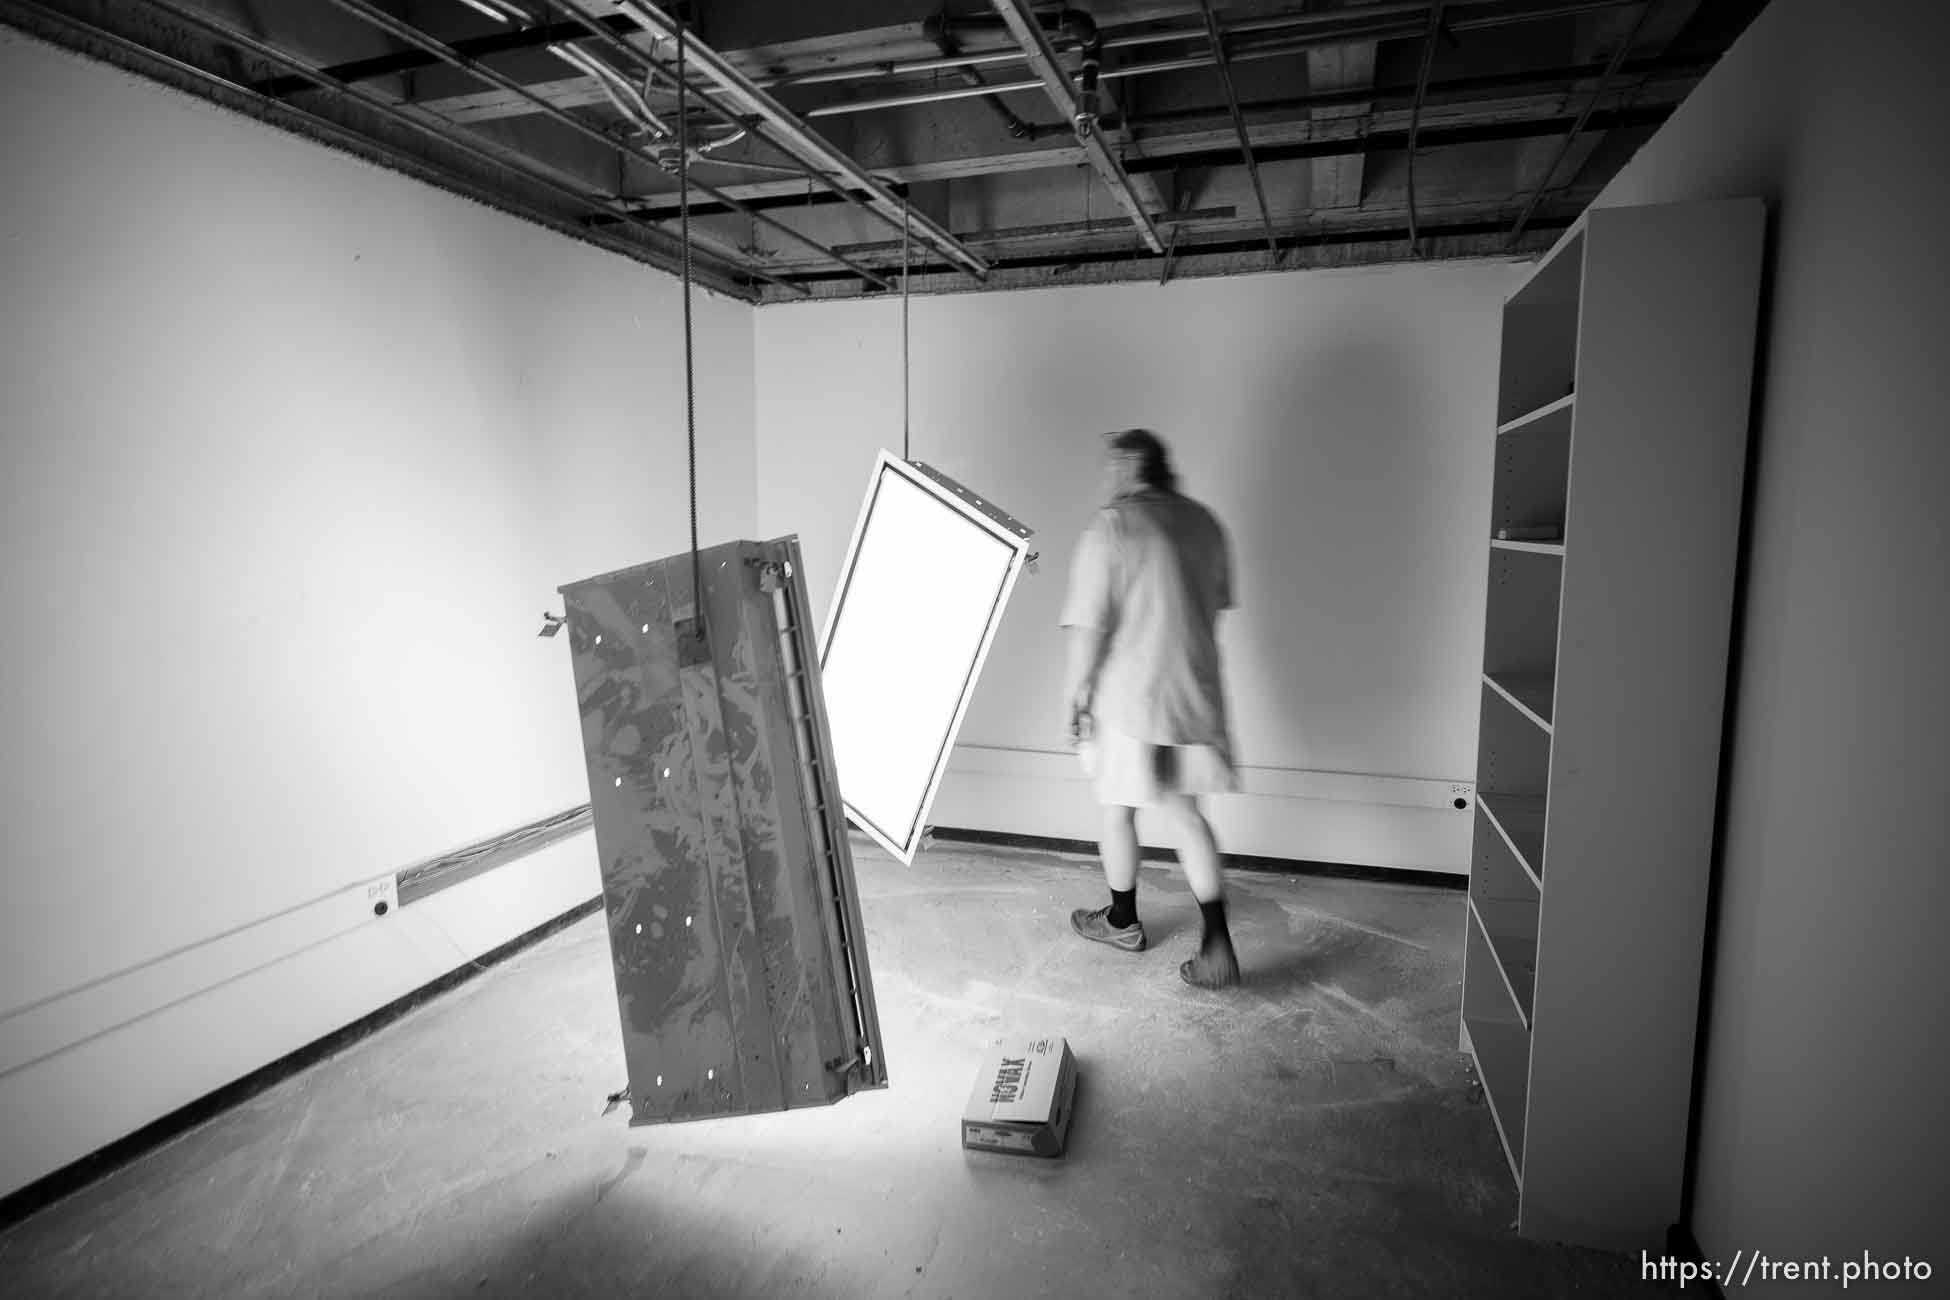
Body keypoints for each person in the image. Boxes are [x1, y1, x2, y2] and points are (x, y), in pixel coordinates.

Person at [1058, 428, 1241, 989]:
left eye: (1114, 464)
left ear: (1131, 464)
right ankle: (1217, 945)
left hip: (1129, 696)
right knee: (1187, 817)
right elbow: (1215, 607)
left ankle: (1122, 920)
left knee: (1117, 810)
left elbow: (1089, 625)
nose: (1109, 475)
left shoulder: (1111, 525)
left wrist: (1076, 693)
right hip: (1191, 691)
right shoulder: (1206, 523)